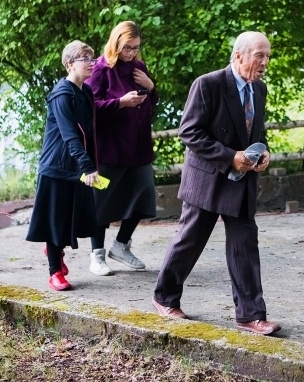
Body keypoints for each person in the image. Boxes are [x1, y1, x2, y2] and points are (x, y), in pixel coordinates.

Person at [152, 31, 281, 336]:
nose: (265, 63)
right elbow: (189, 132)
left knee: (245, 246)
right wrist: (229, 157)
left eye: (268, 56)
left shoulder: (258, 89)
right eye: (259, 55)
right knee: (190, 240)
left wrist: (263, 153)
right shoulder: (208, 84)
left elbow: (256, 133)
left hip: (242, 181)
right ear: (239, 55)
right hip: (208, 179)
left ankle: (250, 316)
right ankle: (164, 297)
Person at [26, 40, 102, 291]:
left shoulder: (86, 92)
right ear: (70, 64)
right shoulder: (62, 94)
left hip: (76, 166)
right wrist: (88, 166)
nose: (91, 63)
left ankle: (54, 250)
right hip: (56, 167)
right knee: (55, 220)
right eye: (85, 59)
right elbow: (70, 134)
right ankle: (54, 271)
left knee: (75, 217)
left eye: (92, 58)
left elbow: (88, 132)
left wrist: (92, 165)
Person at [84, 21, 158, 275]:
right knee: (102, 201)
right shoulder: (101, 69)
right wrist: (120, 103)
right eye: (127, 47)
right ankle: (97, 255)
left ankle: (121, 245)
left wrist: (150, 86)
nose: (132, 53)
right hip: (109, 150)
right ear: (116, 43)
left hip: (138, 147)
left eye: (136, 48)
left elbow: (152, 103)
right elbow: (90, 106)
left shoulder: (139, 68)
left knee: (145, 196)